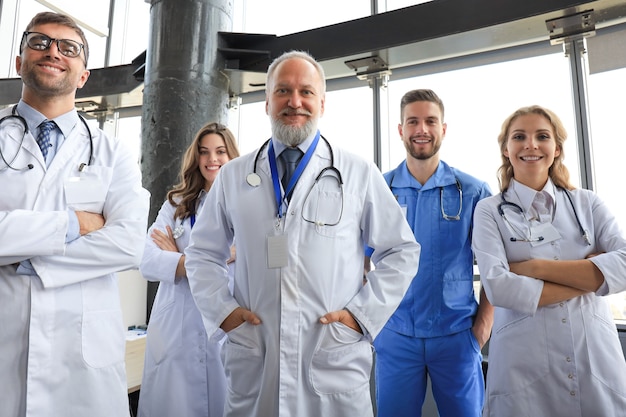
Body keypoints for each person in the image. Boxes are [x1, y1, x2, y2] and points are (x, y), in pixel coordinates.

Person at [184, 50, 421, 417]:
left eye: (306, 92)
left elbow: (401, 251)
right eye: (283, 91)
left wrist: (360, 316)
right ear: (266, 102)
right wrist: (223, 312)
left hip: (330, 354)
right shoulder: (234, 176)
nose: (295, 102)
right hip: (256, 354)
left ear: (322, 103)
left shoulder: (356, 172)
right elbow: (202, 253)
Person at [0, 11, 149, 417]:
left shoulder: (112, 152)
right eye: (40, 42)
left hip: (82, 362)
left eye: (69, 48)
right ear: (19, 62)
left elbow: (128, 243)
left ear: (83, 75)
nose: (53, 52)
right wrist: (74, 223)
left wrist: (24, 252)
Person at [472, 105, 626, 416]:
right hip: (523, 362)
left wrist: (537, 269)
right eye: (519, 137)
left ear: (556, 149)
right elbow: (500, 289)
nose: (531, 145)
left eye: (542, 136)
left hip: (592, 354)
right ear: (506, 149)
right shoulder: (488, 210)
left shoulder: (588, 203)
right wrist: (590, 277)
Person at [365, 89, 494, 417]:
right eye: (413, 121)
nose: (421, 128)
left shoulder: (474, 192)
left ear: (443, 129)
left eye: (430, 121)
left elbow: (496, 268)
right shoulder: (380, 190)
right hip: (395, 338)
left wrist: (480, 332)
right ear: (401, 130)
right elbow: (356, 259)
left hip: (457, 337)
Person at [137, 122, 239, 417]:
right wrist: (210, 260)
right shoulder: (176, 204)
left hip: (225, 320)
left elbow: (253, 254)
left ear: (232, 156)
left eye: (220, 152)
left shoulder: (247, 203)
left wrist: (180, 258)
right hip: (177, 327)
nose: (212, 159)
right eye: (204, 152)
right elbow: (146, 259)